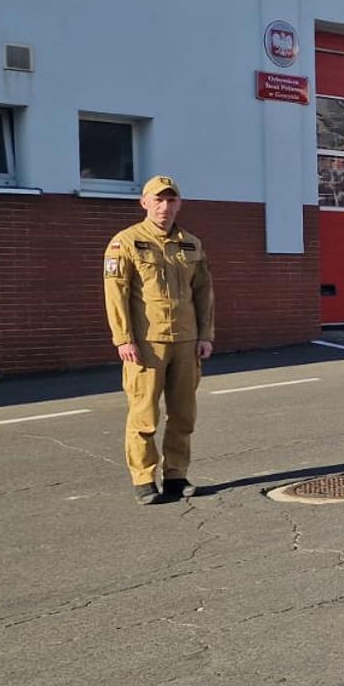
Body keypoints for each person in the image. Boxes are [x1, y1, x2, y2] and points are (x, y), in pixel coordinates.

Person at [103, 175, 215, 505]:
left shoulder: (191, 244)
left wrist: (205, 335)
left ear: (179, 204)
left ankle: (177, 476)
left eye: (171, 200)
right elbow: (115, 293)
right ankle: (143, 478)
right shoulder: (126, 242)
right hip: (146, 344)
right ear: (144, 202)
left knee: (183, 413)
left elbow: (204, 293)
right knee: (144, 415)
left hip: (185, 341)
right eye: (158, 200)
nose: (164, 206)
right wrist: (123, 338)